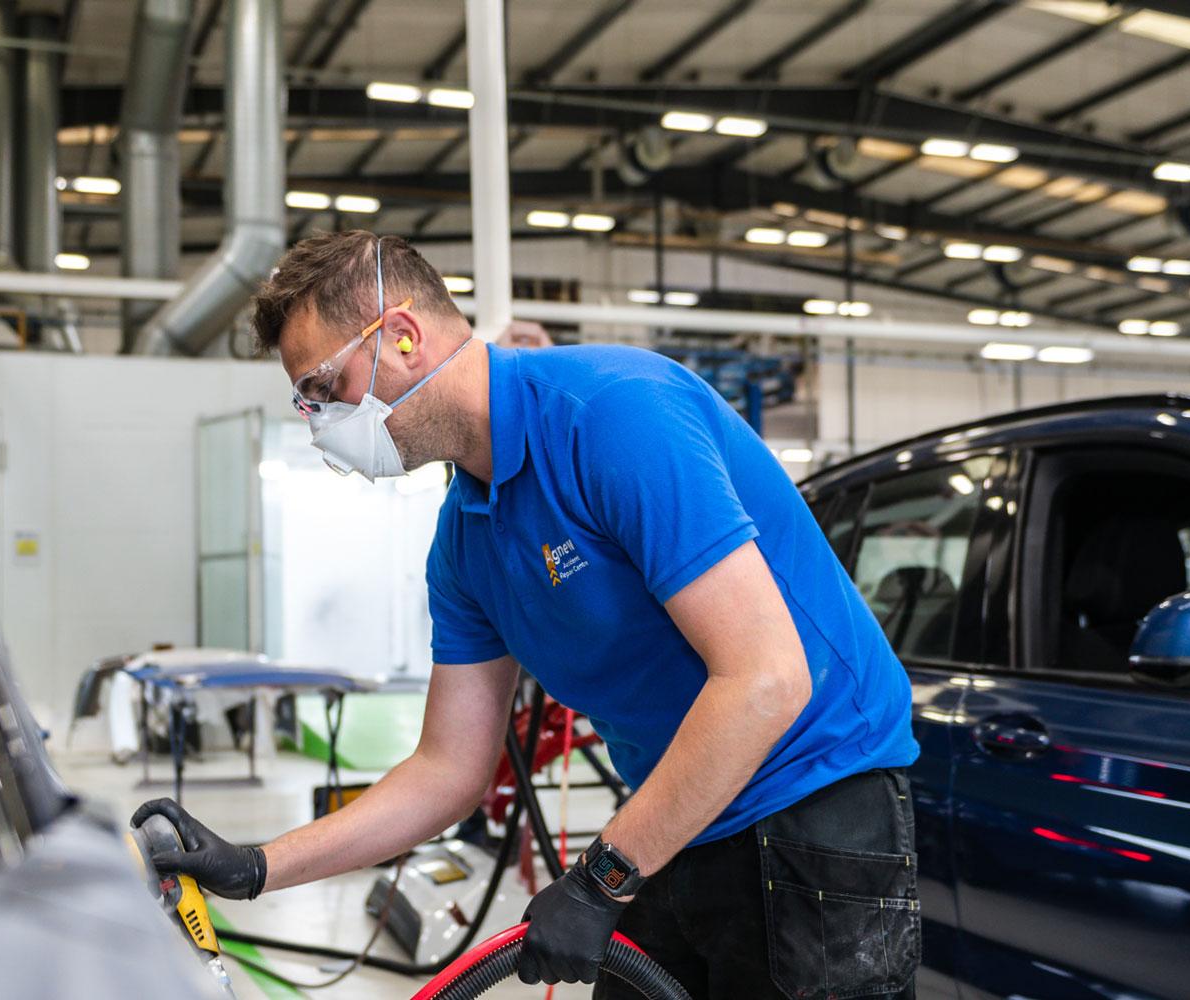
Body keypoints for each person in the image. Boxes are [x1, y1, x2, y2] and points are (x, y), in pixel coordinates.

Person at [134, 231, 921, 999]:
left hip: (815, 812)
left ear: (400, 336)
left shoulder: (613, 414)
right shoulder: (465, 543)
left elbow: (764, 679)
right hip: (680, 817)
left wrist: (601, 879)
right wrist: (258, 865)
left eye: (323, 389)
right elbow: (447, 770)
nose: (318, 424)